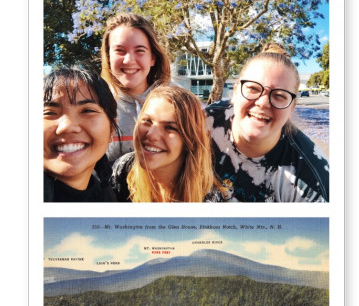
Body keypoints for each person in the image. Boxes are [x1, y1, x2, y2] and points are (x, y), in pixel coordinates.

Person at [206, 43, 329, 202]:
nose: (263, 103)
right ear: (235, 92)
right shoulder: (202, 123)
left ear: (292, 107)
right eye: (253, 89)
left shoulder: (311, 180)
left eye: (279, 95)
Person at [111, 86, 224, 202]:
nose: (151, 135)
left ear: (190, 140)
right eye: (147, 121)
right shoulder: (122, 170)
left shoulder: (209, 199)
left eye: (170, 128)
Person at [101, 12, 171, 163]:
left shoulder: (176, 103)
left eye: (139, 50)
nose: (129, 60)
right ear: (108, 57)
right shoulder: (96, 106)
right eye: (119, 50)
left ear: (152, 58)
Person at [43, 64, 119, 202]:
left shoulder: (106, 198)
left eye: (87, 111)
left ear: (112, 129)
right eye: (49, 113)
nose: (67, 126)